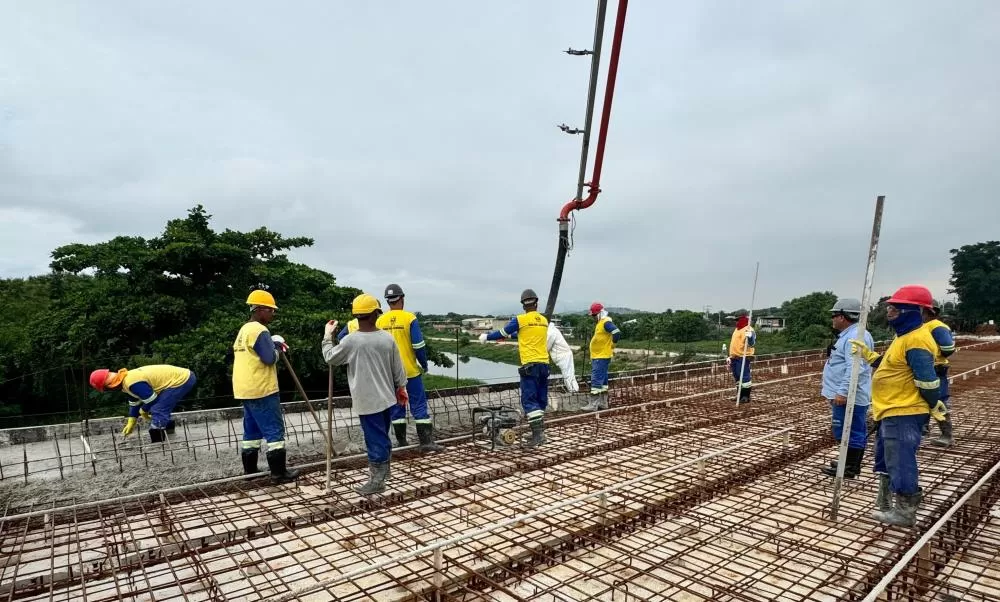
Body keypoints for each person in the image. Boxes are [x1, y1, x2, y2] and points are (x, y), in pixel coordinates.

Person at [850, 285, 944, 527]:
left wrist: (935, 405)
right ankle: (885, 503)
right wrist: (868, 355)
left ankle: (904, 512)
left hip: (905, 411)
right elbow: (888, 365)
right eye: (890, 306)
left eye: (896, 307)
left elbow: (927, 380)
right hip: (890, 409)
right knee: (887, 458)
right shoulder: (902, 337)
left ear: (913, 311)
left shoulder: (917, 341)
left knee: (901, 460)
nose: (890, 310)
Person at [323, 293, 409, 496]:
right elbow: (399, 370)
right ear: (375, 314)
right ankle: (383, 473)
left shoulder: (351, 341)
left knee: (375, 439)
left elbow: (330, 357)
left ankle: (378, 481)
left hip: (368, 401)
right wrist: (401, 388)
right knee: (382, 436)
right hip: (388, 398)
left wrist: (328, 336)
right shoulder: (386, 339)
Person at [232, 288, 298, 484]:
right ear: (260, 309)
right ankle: (279, 473)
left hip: (245, 389)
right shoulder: (260, 330)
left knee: (251, 432)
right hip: (262, 388)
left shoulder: (244, 329)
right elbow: (269, 359)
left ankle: (250, 472)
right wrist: (278, 347)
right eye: (270, 310)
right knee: (274, 431)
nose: (273, 313)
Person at [376, 284, 443, 452]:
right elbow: (418, 345)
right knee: (419, 406)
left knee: (396, 409)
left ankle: (402, 444)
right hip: (410, 372)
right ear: (402, 299)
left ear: (388, 301)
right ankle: (426, 443)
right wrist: (424, 363)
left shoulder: (379, 320)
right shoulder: (409, 318)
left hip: (389, 374)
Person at [480, 289, 550, 448]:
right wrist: (510, 335)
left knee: (529, 401)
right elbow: (523, 334)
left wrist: (486, 337)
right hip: (544, 365)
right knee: (540, 400)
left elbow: (503, 332)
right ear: (536, 303)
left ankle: (538, 436)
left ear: (523, 305)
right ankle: (538, 433)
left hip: (530, 366)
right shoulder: (544, 320)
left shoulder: (520, 319)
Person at [820, 298, 874, 479]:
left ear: (843, 317)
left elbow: (855, 368)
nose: (832, 319)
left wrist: (843, 392)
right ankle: (846, 461)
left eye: (834, 315)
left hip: (851, 396)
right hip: (845, 394)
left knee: (851, 430)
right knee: (844, 429)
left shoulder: (855, 337)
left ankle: (850, 467)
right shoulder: (851, 335)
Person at [89, 365, 196, 442]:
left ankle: (158, 442)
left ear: (108, 386)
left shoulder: (132, 382)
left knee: (158, 409)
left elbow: (152, 399)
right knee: (161, 408)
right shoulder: (126, 382)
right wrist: (132, 420)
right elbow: (134, 402)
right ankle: (169, 432)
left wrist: (144, 410)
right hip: (178, 379)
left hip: (182, 379)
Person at [923, 299, 956, 446]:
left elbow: (948, 348)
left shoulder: (936, 326)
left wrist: (934, 355)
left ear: (929, 311)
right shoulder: (924, 326)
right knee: (921, 400)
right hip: (927, 368)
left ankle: (947, 435)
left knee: (939, 400)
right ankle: (922, 431)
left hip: (936, 369)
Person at [581, 302, 621, 411]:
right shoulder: (600, 323)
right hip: (599, 356)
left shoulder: (605, 322)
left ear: (600, 313)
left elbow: (616, 332)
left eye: (594, 315)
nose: (593, 317)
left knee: (596, 379)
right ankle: (603, 403)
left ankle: (593, 405)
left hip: (601, 356)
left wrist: (613, 344)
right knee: (602, 381)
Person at [727, 315, 756, 404]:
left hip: (743, 357)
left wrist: (750, 337)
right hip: (734, 357)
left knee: (744, 377)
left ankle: (745, 396)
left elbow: (752, 344)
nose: (736, 322)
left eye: (737, 320)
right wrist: (730, 356)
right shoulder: (737, 329)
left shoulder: (749, 329)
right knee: (737, 377)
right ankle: (739, 395)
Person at [547, 322, 579, 394]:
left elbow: (546, 347)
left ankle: (573, 390)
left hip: (563, 356)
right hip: (565, 355)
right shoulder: (553, 329)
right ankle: (574, 389)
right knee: (570, 374)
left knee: (568, 375)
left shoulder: (550, 332)